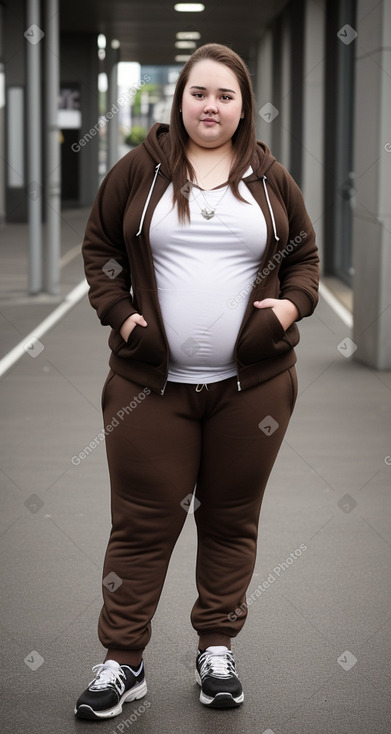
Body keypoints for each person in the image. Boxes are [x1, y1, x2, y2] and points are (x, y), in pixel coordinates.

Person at [74, 42, 319, 720]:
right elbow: (100, 251)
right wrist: (122, 319)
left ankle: (216, 648)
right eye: (198, 93)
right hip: (149, 388)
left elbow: (304, 257)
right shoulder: (139, 172)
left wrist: (291, 307)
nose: (210, 106)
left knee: (231, 518)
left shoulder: (269, 179)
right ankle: (122, 661)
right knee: (141, 524)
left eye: (225, 96)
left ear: (243, 108)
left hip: (254, 387)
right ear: (179, 100)